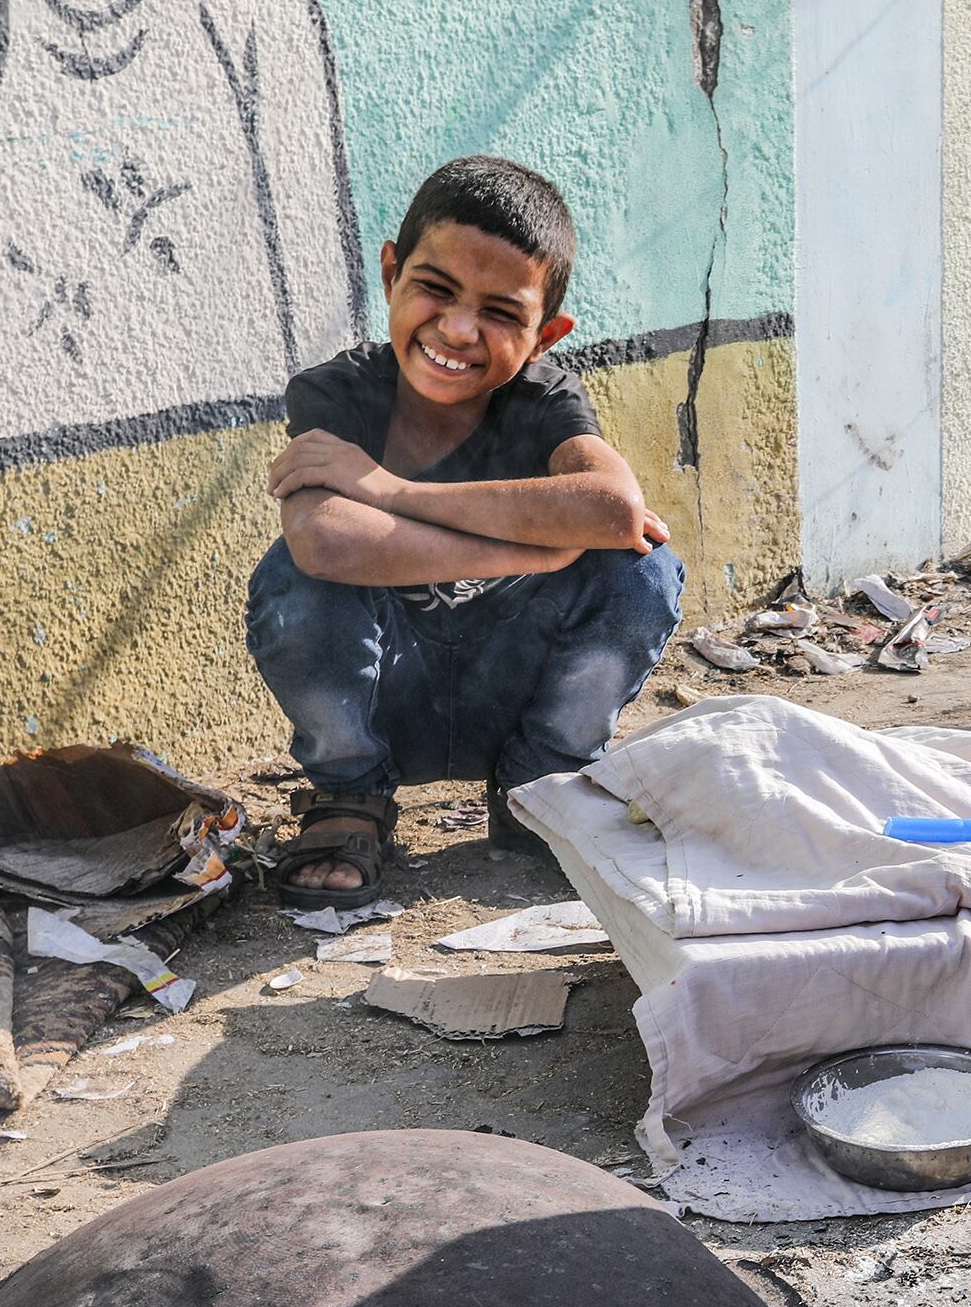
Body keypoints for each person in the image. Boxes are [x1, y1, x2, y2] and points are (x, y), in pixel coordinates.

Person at [250, 156, 683, 909]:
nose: (457, 330)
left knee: (641, 569)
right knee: (293, 578)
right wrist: (544, 540)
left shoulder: (542, 399)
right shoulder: (335, 393)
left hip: (513, 696)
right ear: (390, 273)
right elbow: (326, 541)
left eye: (500, 312)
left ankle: (538, 791)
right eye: (436, 290)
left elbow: (614, 513)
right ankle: (351, 797)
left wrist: (385, 490)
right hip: (387, 698)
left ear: (546, 334)